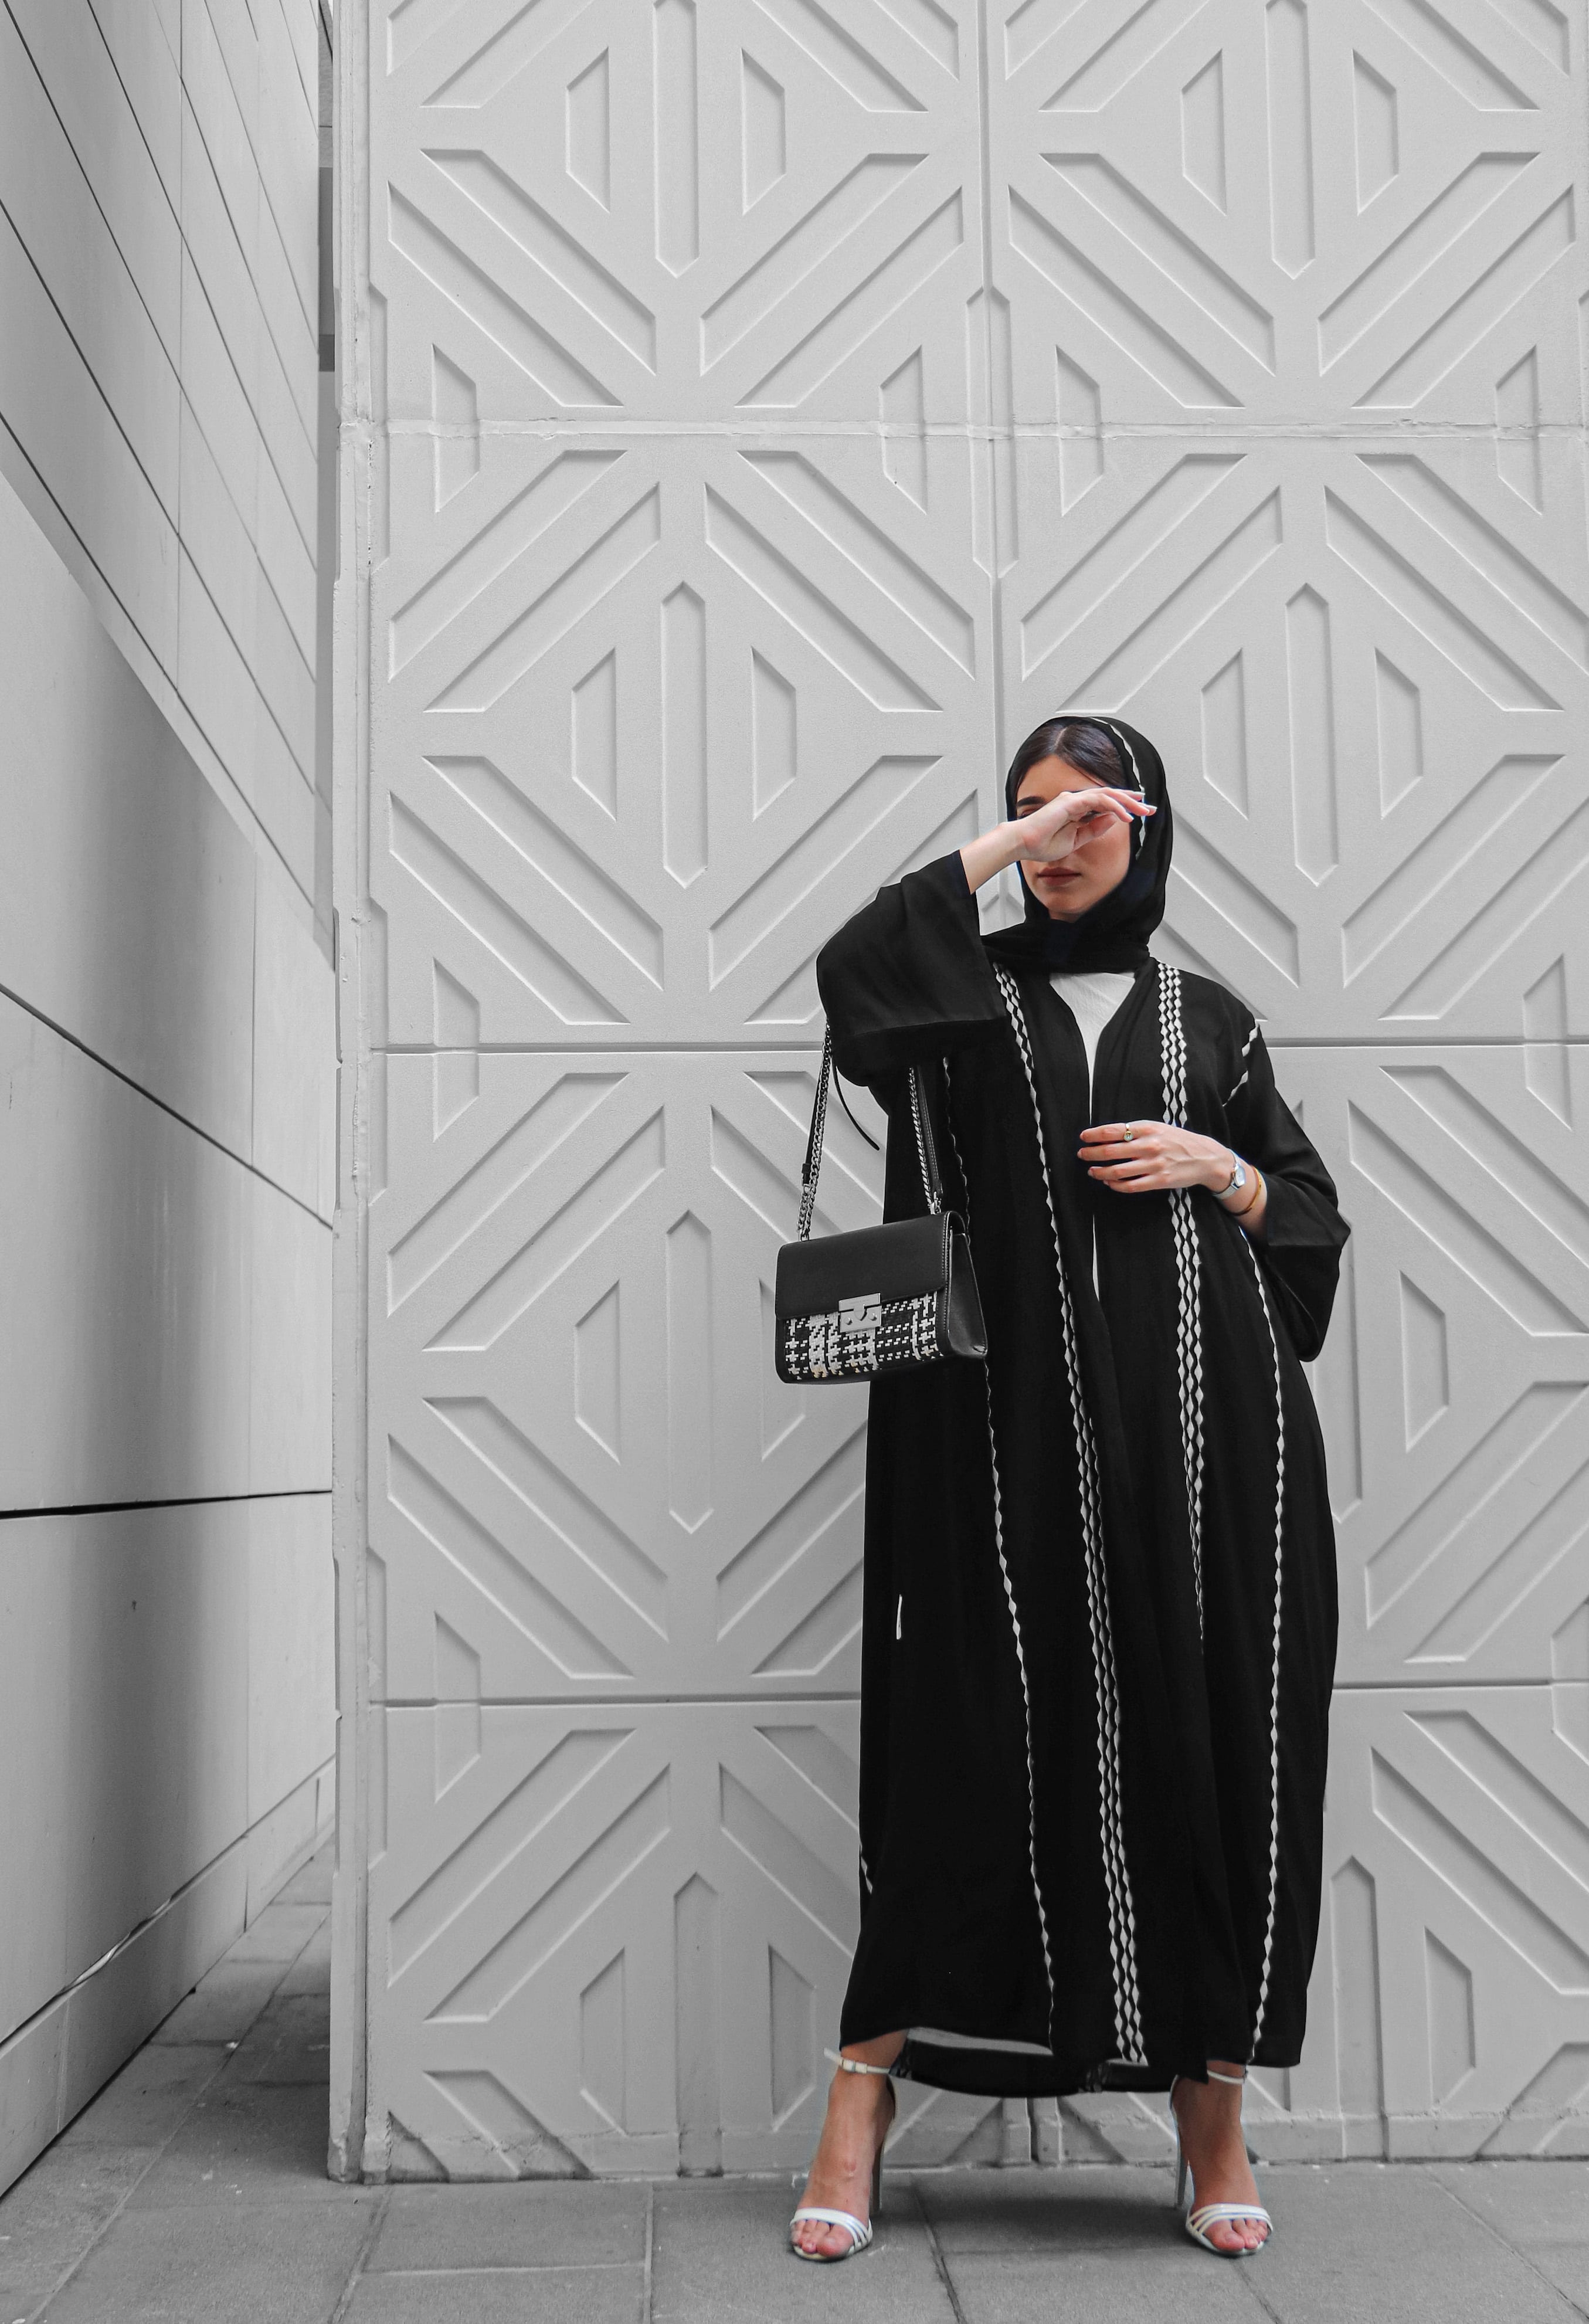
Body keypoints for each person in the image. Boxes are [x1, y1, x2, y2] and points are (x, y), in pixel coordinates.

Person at [787, 717, 1348, 2264]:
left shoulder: (1214, 1022)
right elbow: (849, 975)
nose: (1059, 837)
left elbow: (1306, 1214)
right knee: (960, 1747)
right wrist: (998, 852)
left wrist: (1220, 1168)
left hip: (1206, 1439)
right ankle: (857, 2106)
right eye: (1034, 811)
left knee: (1209, 1749)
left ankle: (1213, 2120)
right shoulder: (958, 1001)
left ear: (1148, 825)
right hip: (998, 1439)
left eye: (1091, 811)